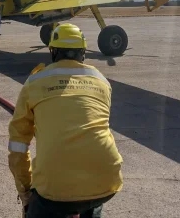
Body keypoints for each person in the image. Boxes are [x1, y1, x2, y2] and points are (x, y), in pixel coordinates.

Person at [7, 23, 123, 218]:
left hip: (53, 191)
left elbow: (18, 146)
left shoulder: (34, 83)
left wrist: (26, 192)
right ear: (83, 53)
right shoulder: (102, 81)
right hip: (106, 180)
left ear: (53, 52)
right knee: (91, 201)